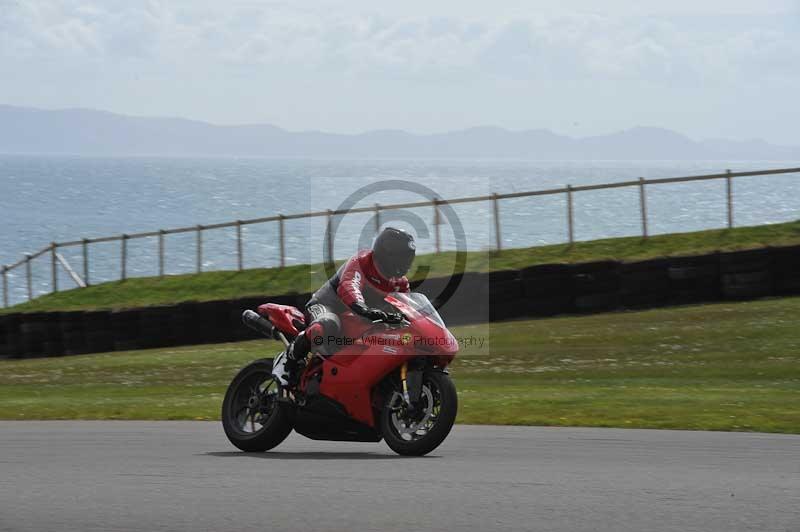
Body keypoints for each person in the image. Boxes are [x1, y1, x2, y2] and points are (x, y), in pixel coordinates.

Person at [272, 227, 416, 385]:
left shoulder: (400, 282)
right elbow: (350, 285)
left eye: (408, 258)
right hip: (326, 305)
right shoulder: (362, 262)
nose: (405, 263)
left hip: (357, 316)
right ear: (387, 254)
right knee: (326, 324)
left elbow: (407, 306)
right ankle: (287, 361)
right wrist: (362, 307)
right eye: (402, 257)